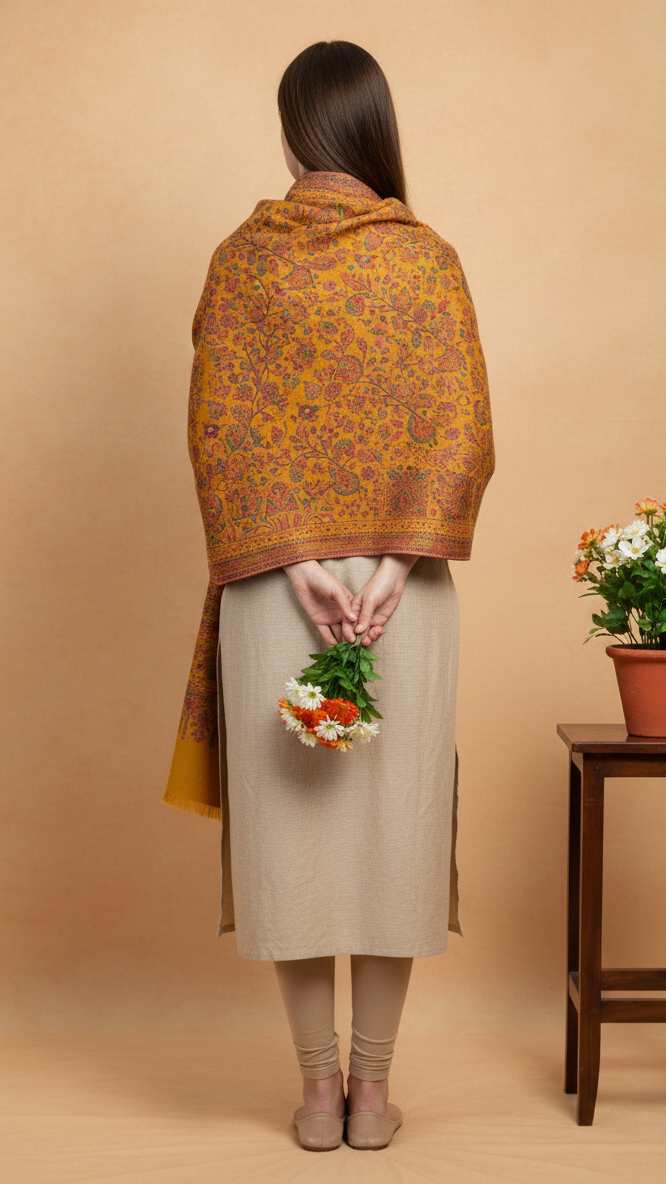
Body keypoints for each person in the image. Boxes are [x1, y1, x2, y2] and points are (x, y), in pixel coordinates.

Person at [163, 40, 494, 1152]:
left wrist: (297, 560)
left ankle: (315, 1091)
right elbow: (463, 423)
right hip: (404, 593)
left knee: (294, 837)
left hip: (275, 585)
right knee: (394, 833)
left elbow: (220, 424)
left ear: (296, 128)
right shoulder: (429, 258)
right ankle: (370, 1089)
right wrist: (394, 561)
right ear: (373, 126)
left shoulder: (240, 259)